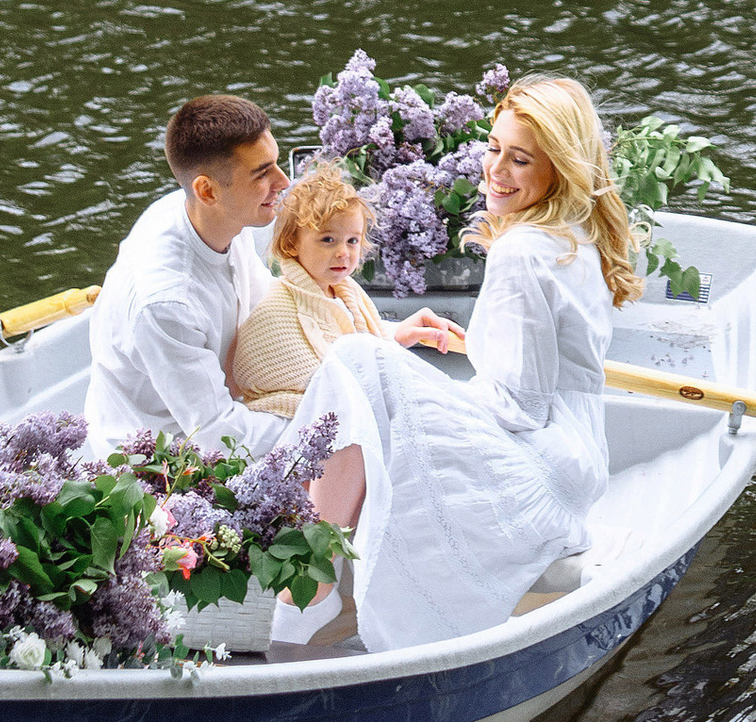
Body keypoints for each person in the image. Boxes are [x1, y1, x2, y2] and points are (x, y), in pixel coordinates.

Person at [298, 75, 641, 656]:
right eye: (493, 148)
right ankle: (325, 569)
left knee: (358, 365)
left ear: (558, 167)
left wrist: (425, 399)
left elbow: (519, 406)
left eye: (520, 159)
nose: (496, 170)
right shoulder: (577, 233)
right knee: (379, 379)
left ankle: (309, 583)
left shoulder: (521, 252)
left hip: (541, 466)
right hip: (580, 457)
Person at [86, 94, 295, 455]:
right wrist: (328, 421)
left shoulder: (224, 217)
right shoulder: (166, 303)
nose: (284, 181)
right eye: (262, 173)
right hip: (162, 459)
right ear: (207, 190)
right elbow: (218, 433)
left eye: (275, 163)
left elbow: (273, 309)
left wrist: (381, 333)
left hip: (223, 411)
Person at [226, 162, 456, 417]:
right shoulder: (279, 306)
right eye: (327, 240)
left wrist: (397, 338)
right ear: (291, 244)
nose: (343, 253)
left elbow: (363, 348)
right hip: (317, 413)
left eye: (352, 241)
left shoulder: (348, 293)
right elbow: (263, 371)